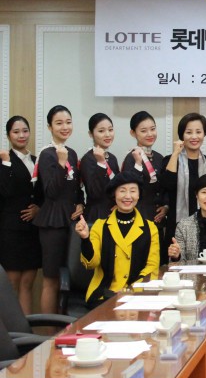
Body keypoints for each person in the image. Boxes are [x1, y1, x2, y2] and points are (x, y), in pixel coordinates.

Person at [75, 171, 160, 307]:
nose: (128, 196)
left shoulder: (150, 228)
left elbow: (151, 268)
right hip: (103, 294)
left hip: (137, 295)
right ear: (114, 194)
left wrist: (130, 291)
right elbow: (92, 263)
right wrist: (85, 239)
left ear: (139, 195)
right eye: (122, 191)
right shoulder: (100, 226)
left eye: (133, 191)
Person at [33, 105, 84, 314]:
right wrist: (61, 163)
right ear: (49, 127)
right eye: (59, 123)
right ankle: (48, 330)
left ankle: (65, 327)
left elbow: (76, 188)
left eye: (68, 122)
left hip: (71, 220)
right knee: (51, 279)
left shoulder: (72, 153)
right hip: (52, 222)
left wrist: (81, 203)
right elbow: (51, 191)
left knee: (69, 278)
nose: (65, 127)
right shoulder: (47, 154)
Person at [0, 116, 43, 314]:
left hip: (32, 230)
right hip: (11, 230)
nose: (21, 135)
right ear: (8, 135)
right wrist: (6, 163)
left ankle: (26, 328)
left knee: (27, 282)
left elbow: (43, 193)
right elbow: (5, 190)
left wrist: (39, 209)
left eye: (25, 131)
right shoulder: (4, 160)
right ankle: (10, 331)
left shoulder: (36, 160)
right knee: (12, 283)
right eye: (16, 132)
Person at [161, 113, 206, 259]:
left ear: (204, 134)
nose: (194, 137)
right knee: (176, 264)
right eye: (189, 132)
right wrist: (175, 154)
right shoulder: (170, 160)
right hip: (177, 223)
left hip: (205, 224)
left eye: (198, 132)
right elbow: (168, 185)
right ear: (182, 135)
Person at [122, 111, 167, 262]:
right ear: (133, 133)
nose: (150, 134)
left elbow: (164, 188)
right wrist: (138, 164)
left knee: (158, 262)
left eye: (153, 129)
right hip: (139, 218)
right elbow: (130, 188)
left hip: (157, 219)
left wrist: (166, 207)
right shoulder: (131, 158)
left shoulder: (159, 157)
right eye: (143, 130)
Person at [81, 113, 120, 222]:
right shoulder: (88, 159)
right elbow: (94, 193)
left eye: (110, 130)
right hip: (97, 214)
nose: (108, 134)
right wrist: (101, 163)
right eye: (101, 131)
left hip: (114, 213)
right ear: (91, 134)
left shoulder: (112, 158)